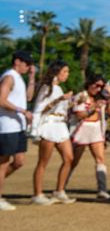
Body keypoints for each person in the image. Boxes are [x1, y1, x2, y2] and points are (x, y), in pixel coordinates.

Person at [31, 61, 76, 205]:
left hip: (61, 125)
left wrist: (71, 103)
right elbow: (40, 108)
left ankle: (59, 191)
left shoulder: (59, 88)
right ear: (57, 72)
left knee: (69, 158)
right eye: (65, 71)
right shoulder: (47, 88)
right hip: (49, 125)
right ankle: (38, 194)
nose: (67, 74)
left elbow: (60, 108)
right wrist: (60, 99)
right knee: (43, 162)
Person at [68, 73, 110, 199]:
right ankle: (61, 187)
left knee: (100, 159)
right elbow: (79, 114)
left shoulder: (101, 97)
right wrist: (94, 108)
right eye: (97, 85)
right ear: (90, 83)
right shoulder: (81, 96)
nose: (99, 89)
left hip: (96, 128)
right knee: (73, 161)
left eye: (101, 86)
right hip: (82, 128)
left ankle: (102, 189)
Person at [0, 51, 36, 211]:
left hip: (18, 127)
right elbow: (1, 99)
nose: (29, 67)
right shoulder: (9, 76)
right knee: (2, 163)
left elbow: (28, 97)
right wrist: (22, 111)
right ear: (17, 62)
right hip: (7, 126)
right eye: (27, 64)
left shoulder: (19, 77)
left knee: (19, 161)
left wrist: (32, 78)